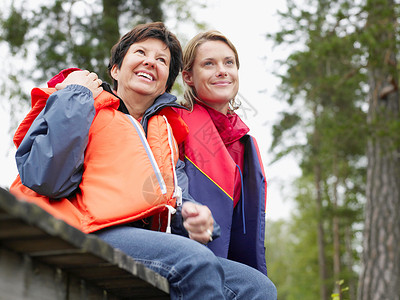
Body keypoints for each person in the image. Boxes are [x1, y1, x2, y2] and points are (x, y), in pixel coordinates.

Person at [10, 22, 277, 299]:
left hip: (145, 239)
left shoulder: (166, 133)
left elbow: (176, 200)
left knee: (257, 287)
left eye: (161, 60)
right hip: (87, 227)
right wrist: (75, 96)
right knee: (195, 260)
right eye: (141, 53)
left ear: (165, 82)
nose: (150, 62)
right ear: (115, 69)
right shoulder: (82, 102)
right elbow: (46, 177)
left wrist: (191, 215)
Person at [176, 30, 272, 277]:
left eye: (229, 62)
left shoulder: (245, 144)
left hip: (229, 266)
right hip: (183, 257)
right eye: (209, 64)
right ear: (188, 76)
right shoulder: (174, 125)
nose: (222, 70)